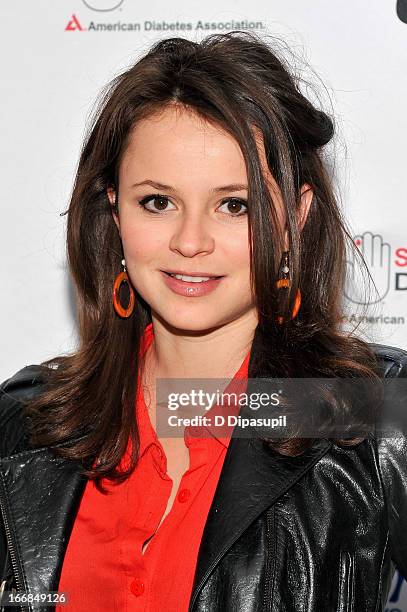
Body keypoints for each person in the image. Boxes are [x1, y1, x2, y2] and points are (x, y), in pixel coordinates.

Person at [1, 30, 406, 612]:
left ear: (295, 216)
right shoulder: (25, 424)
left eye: (234, 205)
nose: (190, 242)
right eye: (157, 202)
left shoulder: (372, 412)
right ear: (113, 208)